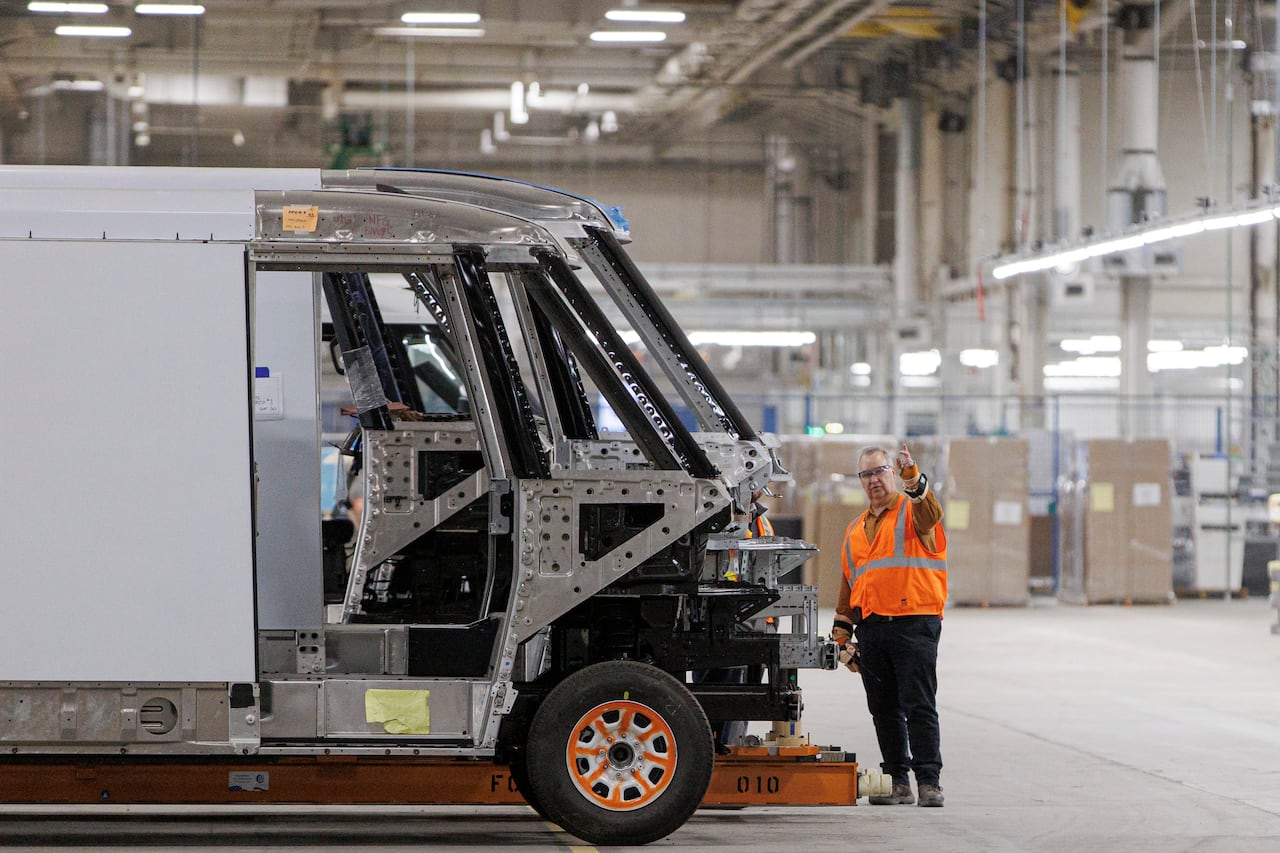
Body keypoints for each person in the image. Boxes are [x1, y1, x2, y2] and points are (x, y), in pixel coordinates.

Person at [832, 443, 947, 808]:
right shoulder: (854, 530)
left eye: (880, 471)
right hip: (873, 630)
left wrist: (915, 478)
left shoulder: (913, 512)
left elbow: (931, 511)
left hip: (914, 623)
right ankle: (898, 781)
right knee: (883, 710)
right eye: (866, 474)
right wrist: (841, 636)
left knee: (919, 705)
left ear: (892, 473)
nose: (873, 480)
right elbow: (849, 587)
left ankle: (929, 782)